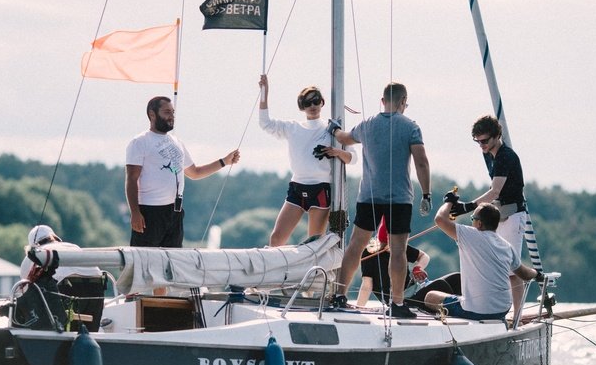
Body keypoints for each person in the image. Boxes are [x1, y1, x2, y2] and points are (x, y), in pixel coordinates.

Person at [330, 82, 431, 319]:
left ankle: (339, 296)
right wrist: (426, 194)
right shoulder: (411, 127)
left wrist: (333, 129)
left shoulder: (367, 125)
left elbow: (344, 137)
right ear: (403, 101)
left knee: (355, 245)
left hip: (369, 196)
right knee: (398, 251)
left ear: (382, 100)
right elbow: (421, 162)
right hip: (399, 199)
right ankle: (397, 303)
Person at [126, 95, 240, 249]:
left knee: (172, 264)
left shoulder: (177, 142)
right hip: (150, 213)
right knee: (144, 263)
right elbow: (132, 179)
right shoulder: (140, 142)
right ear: (152, 114)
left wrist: (224, 162)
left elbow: (194, 172)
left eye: (173, 112)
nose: (171, 116)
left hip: (175, 213)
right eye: (167, 112)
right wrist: (135, 212)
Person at [258, 74, 355, 246]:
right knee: (276, 239)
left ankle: (315, 273)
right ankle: (276, 273)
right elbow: (265, 123)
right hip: (297, 187)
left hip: (320, 190)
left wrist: (336, 152)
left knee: (314, 244)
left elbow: (352, 158)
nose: (312, 106)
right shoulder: (292, 128)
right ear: (301, 106)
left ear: (322, 103)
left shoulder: (331, 129)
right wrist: (264, 92)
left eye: (316, 101)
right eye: (307, 102)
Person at [449, 115, 530, 317]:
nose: (481, 145)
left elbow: (495, 191)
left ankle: (517, 317)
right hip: (498, 215)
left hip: (512, 216)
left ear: (497, 136)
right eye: (477, 142)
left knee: (513, 271)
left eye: (484, 141)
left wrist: (466, 207)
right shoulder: (489, 154)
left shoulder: (506, 156)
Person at [427, 202, 542, 321]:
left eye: (472, 218)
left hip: (475, 311)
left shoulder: (470, 234)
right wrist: (538, 274)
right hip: (502, 310)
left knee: (430, 297)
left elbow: (440, 219)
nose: (471, 221)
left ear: (479, 223)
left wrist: (449, 202)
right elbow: (525, 274)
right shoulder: (507, 246)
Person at [18, 225, 106, 331]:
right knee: (91, 334)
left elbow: (24, 289)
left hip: (67, 289)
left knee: (63, 329)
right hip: (97, 288)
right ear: (55, 238)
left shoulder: (36, 254)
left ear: (32, 245)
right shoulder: (74, 247)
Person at [356, 217, 430, 307]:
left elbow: (424, 256)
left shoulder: (400, 247)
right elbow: (366, 285)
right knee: (440, 285)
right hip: (401, 299)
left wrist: (418, 267)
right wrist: (359, 308)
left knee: (448, 281)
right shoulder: (369, 252)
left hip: (413, 291)